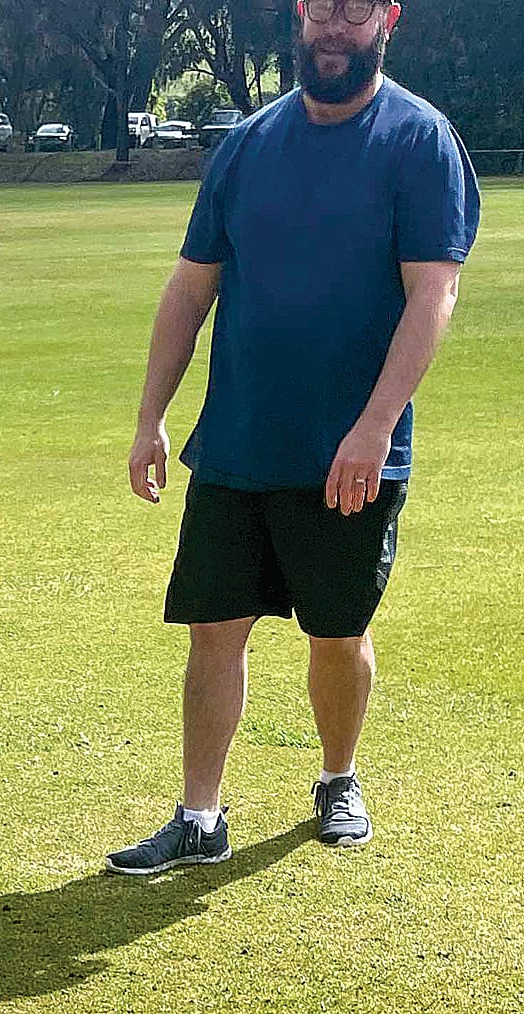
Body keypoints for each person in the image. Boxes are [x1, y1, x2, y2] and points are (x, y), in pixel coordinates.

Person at [111, 0, 478, 877]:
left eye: (355, 11)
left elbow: (433, 294)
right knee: (211, 630)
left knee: (334, 632)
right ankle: (199, 816)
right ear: (298, 14)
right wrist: (150, 415)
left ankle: (336, 777)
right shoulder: (245, 145)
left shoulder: (419, 141)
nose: (333, 29)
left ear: (386, 17)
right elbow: (190, 287)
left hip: (347, 452)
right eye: (320, 7)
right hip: (237, 440)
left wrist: (374, 425)